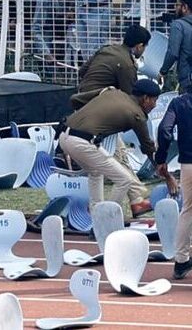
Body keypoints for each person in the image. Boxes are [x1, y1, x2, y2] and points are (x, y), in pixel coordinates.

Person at [58, 78, 159, 216]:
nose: (155, 105)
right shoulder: (137, 114)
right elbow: (147, 147)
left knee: (95, 173)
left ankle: (96, 213)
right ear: (145, 98)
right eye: (154, 100)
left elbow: (75, 99)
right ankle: (107, 217)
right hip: (82, 142)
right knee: (125, 179)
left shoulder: (111, 91)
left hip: (64, 136)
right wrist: (160, 169)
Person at [154, 88, 192, 278]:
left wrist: (161, 158)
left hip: (188, 163)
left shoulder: (179, 102)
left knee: (188, 210)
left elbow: (164, 130)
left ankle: (181, 260)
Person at [71, 24, 150, 108]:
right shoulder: (127, 65)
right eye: (145, 47)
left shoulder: (106, 49)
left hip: (80, 98)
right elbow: (130, 98)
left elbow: (82, 71)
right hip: (97, 105)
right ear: (139, 46)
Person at [162, 0, 192, 93]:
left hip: (187, 78)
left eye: (177, 4)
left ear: (185, 7)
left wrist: (163, 71)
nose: (175, 7)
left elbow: (172, 53)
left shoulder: (178, 25)